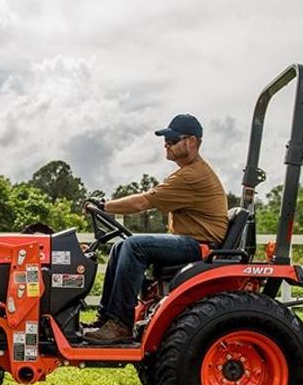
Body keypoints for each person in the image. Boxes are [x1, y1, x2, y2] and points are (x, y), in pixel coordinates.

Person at [83, 114, 228, 344]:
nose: (166, 144)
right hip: (192, 241)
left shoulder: (192, 175)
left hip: (200, 246)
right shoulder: (188, 172)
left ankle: (120, 324)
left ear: (191, 142)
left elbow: (142, 202)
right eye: (166, 140)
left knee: (133, 246)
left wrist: (103, 205)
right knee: (120, 246)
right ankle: (106, 319)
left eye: (172, 139)